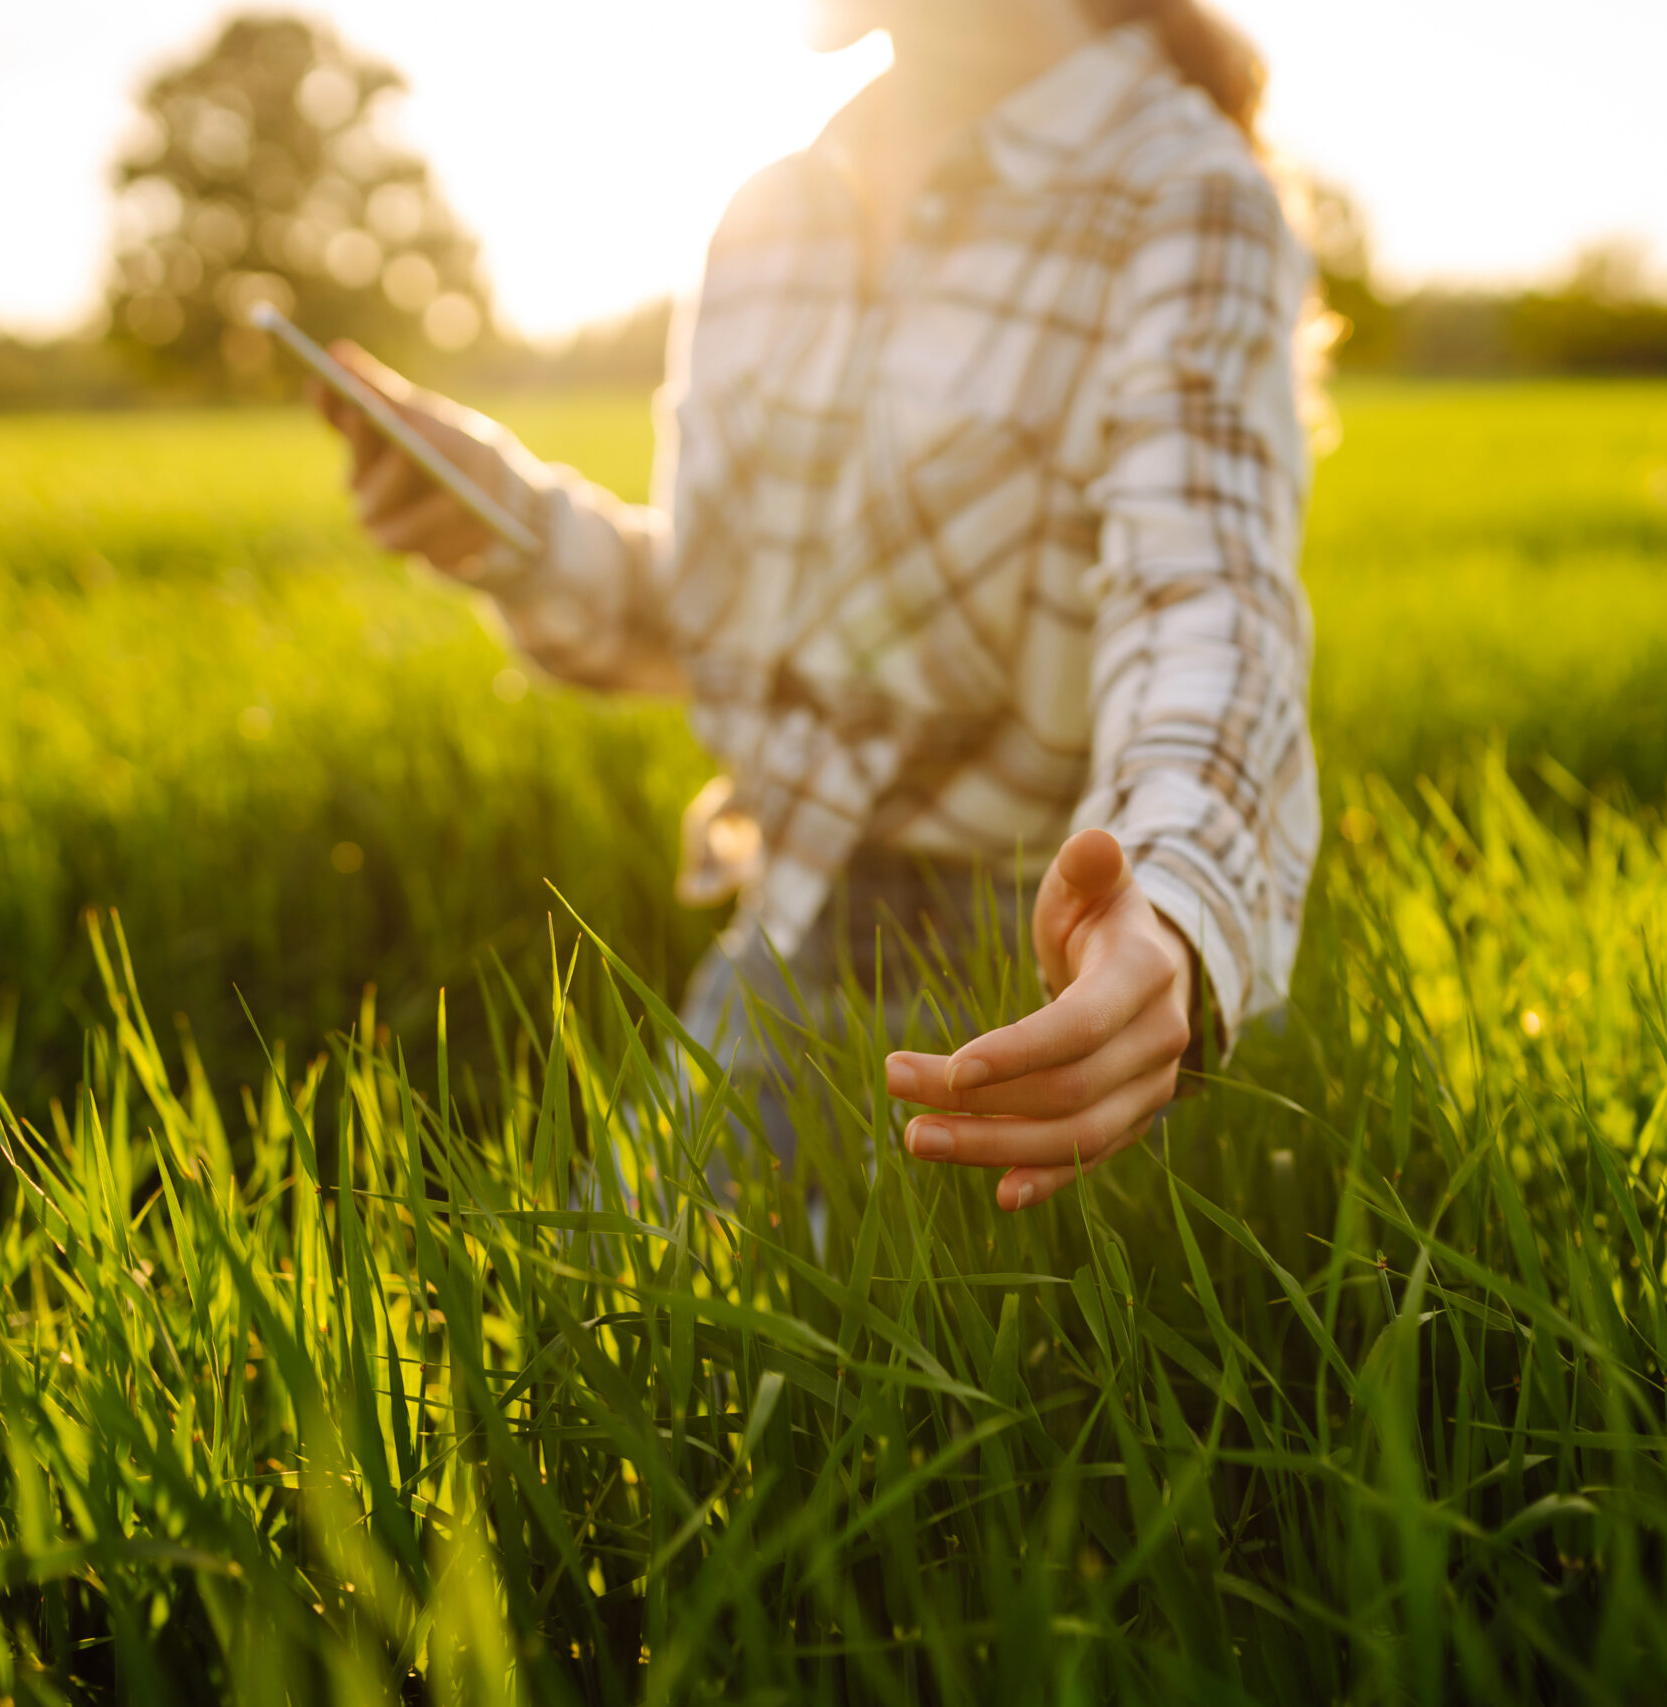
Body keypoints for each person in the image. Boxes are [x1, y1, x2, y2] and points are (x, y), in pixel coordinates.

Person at [313, 0, 1317, 1212]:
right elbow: (724, 621)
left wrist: (1164, 910)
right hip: (777, 945)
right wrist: (511, 525)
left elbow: (1199, 604)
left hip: (1037, 994)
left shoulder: (1181, 193)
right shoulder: (770, 212)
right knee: (595, 1349)